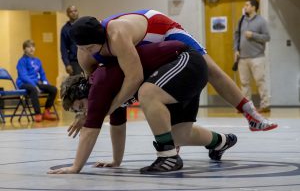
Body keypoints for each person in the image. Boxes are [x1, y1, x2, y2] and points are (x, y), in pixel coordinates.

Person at [48, 41, 237, 174]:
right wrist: (116, 161)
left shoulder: (99, 83)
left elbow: (90, 130)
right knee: (180, 135)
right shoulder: (110, 91)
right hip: (180, 72)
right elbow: (117, 126)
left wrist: (75, 167)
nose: (84, 112)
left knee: (147, 93)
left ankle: (167, 156)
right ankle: (221, 142)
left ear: (83, 90)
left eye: (81, 106)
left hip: (185, 61)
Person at [234, 0, 271, 113]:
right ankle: (246, 106)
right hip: (242, 58)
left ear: (254, 7)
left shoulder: (261, 21)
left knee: (260, 81)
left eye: (247, 5)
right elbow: (236, 35)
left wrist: (253, 35)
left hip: (257, 57)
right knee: (244, 83)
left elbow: (267, 37)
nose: (245, 6)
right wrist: (236, 49)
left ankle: (265, 105)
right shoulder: (241, 20)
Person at [16, 40, 58, 122]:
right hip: (24, 83)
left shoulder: (37, 61)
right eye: (28, 47)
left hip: (36, 82)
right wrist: (34, 85)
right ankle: (37, 113)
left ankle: (46, 111)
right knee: (33, 89)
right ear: (24, 49)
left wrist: (46, 83)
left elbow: (42, 74)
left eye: (33, 46)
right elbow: (23, 76)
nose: (31, 48)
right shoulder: (22, 61)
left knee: (53, 89)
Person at [60, 5, 82, 76]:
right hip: (74, 61)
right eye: (71, 12)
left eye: (75, 11)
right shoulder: (65, 29)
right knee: (78, 82)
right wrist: (67, 64)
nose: (73, 13)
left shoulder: (84, 25)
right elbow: (63, 49)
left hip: (87, 59)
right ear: (67, 14)